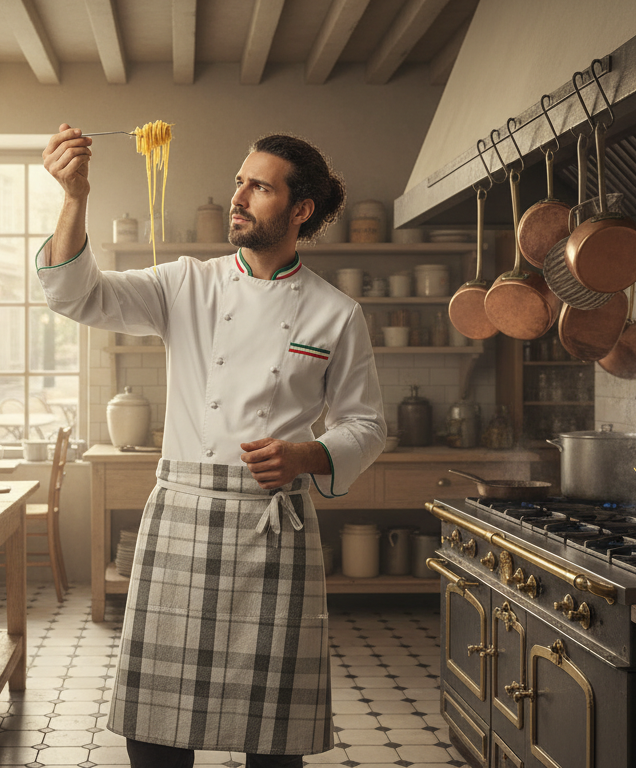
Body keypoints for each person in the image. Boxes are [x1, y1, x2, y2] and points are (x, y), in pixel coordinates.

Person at [38, 124, 386, 767]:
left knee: (275, 731)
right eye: (239, 182)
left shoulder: (337, 312)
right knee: (158, 727)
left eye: (259, 186)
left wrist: (307, 456)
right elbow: (75, 294)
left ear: (299, 209)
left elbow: (366, 426)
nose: (239, 195)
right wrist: (73, 198)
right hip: (185, 513)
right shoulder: (184, 285)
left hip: (272, 523)